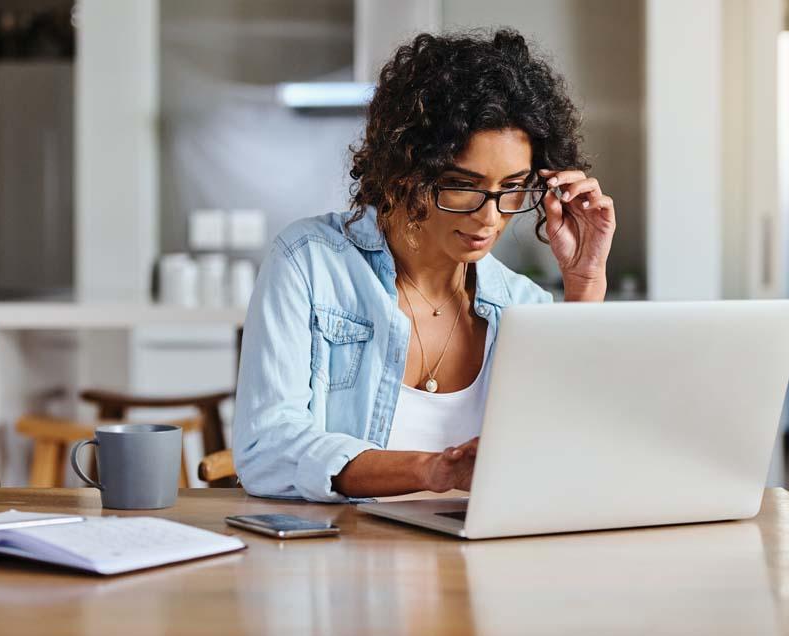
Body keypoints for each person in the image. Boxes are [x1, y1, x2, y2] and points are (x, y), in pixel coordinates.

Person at [233, 29, 616, 502]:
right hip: (343, 564)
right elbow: (266, 450)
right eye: (463, 185)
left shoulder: (523, 306)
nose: (490, 216)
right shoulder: (310, 264)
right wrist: (429, 470)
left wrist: (585, 284)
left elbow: (573, 463)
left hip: (480, 566)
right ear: (406, 171)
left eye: (513, 187)